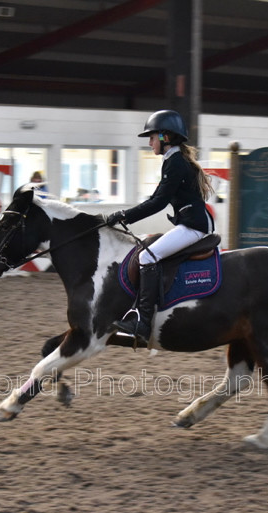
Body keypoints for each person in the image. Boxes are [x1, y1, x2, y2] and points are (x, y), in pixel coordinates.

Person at [106, 109, 215, 343]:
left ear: (166, 137)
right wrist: (124, 215)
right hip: (190, 222)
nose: (149, 143)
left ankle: (143, 322)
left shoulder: (175, 162)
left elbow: (158, 203)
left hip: (194, 226)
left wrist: (124, 215)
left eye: (152, 137)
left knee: (147, 257)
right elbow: (156, 198)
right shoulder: (173, 161)